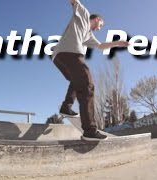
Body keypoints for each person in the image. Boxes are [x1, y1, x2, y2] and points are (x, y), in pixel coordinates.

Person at [52, 0, 129, 141]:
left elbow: (100, 46)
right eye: (101, 25)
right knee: (87, 85)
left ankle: (66, 107)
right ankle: (89, 130)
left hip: (58, 57)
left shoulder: (88, 35)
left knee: (76, 81)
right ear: (97, 19)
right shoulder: (84, 13)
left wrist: (117, 43)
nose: (99, 29)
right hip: (71, 53)